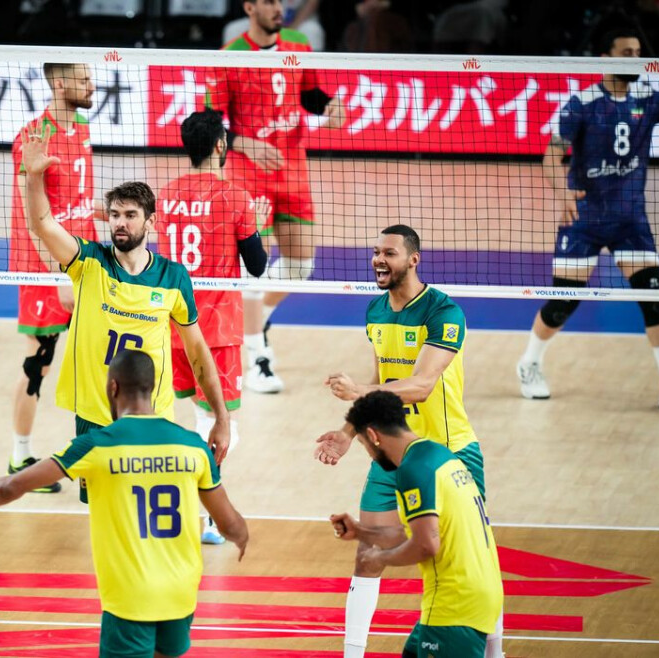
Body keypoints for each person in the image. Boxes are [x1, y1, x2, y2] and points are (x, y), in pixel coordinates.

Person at [0, 350, 249, 658]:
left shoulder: (96, 445)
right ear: (153, 388)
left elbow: (10, 487)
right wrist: (241, 535)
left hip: (130, 599)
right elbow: (229, 524)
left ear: (113, 387)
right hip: (180, 595)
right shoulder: (192, 446)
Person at [315, 225, 502, 658]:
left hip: (450, 452)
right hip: (394, 453)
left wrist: (359, 391)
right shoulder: (376, 311)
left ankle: (496, 653)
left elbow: (421, 385)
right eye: (376, 252)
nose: (379, 260)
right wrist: (348, 434)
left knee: (477, 559)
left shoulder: (443, 312)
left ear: (413, 260)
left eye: (390, 253)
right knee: (366, 550)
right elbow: (383, 380)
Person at [20, 128, 233, 480]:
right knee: (103, 507)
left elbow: (198, 352)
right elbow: (42, 224)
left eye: (130, 215)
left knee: (147, 500)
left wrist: (221, 417)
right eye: (115, 214)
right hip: (96, 413)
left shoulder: (173, 277)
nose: (120, 222)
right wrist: (33, 176)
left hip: (153, 413)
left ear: (150, 222)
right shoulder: (88, 262)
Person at [516, 27, 659, 412]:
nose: (635, 59)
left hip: (631, 223)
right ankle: (529, 363)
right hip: (584, 221)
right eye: (626, 52)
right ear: (605, 58)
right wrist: (562, 193)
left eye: (638, 52)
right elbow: (550, 156)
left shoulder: (651, 99)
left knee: (654, 301)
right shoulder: (583, 103)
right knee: (562, 303)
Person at [207, 0, 344, 394]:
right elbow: (210, 121)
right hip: (248, 175)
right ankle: (257, 359)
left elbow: (310, 95)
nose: (278, 7)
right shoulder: (229, 57)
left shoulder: (299, 45)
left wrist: (330, 107)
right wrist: (245, 143)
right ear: (249, 7)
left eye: (280, 2)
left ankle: (258, 318)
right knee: (254, 269)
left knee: (302, 265)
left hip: (292, 170)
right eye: (268, 1)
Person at [155, 109, 268, 544]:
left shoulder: (165, 196)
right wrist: (257, 224)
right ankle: (196, 508)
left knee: (189, 416)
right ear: (221, 145)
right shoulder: (236, 197)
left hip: (172, 324)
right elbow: (256, 267)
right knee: (222, 425)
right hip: (216, 328)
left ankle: (192, 512)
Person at [330, 390, 503, 658]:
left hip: (453, 607)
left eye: (364, 445)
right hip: (482, 594)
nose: (371, 455)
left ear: (374, 436)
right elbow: (420, 530)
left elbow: (425, 545)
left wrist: (378, 556)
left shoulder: (413, 470)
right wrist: (362, 532)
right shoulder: (438, 455)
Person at [8, 63, 98, 493]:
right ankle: (19, 455)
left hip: (85, 262)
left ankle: (90, 455)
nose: (92, 86)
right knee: (38, 364)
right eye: (83, 80)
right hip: (47, 269)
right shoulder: (32, 138)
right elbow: (32, 218)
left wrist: (116, 217)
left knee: (97, 361)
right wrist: (58, 275)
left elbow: (78, 201)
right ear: (59, 84)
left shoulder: (82, 129)